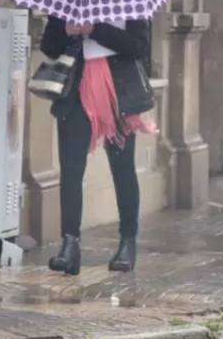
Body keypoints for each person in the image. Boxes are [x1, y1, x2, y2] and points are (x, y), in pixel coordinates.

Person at [40, 15, 154, 276]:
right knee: (70, 168)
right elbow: (49, 46)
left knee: (122, 167)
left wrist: (96, 30)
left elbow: (138, 46)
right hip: (75, 90)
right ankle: (70, 244)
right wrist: (67, 31)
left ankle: (127, 242)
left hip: (120, 91)